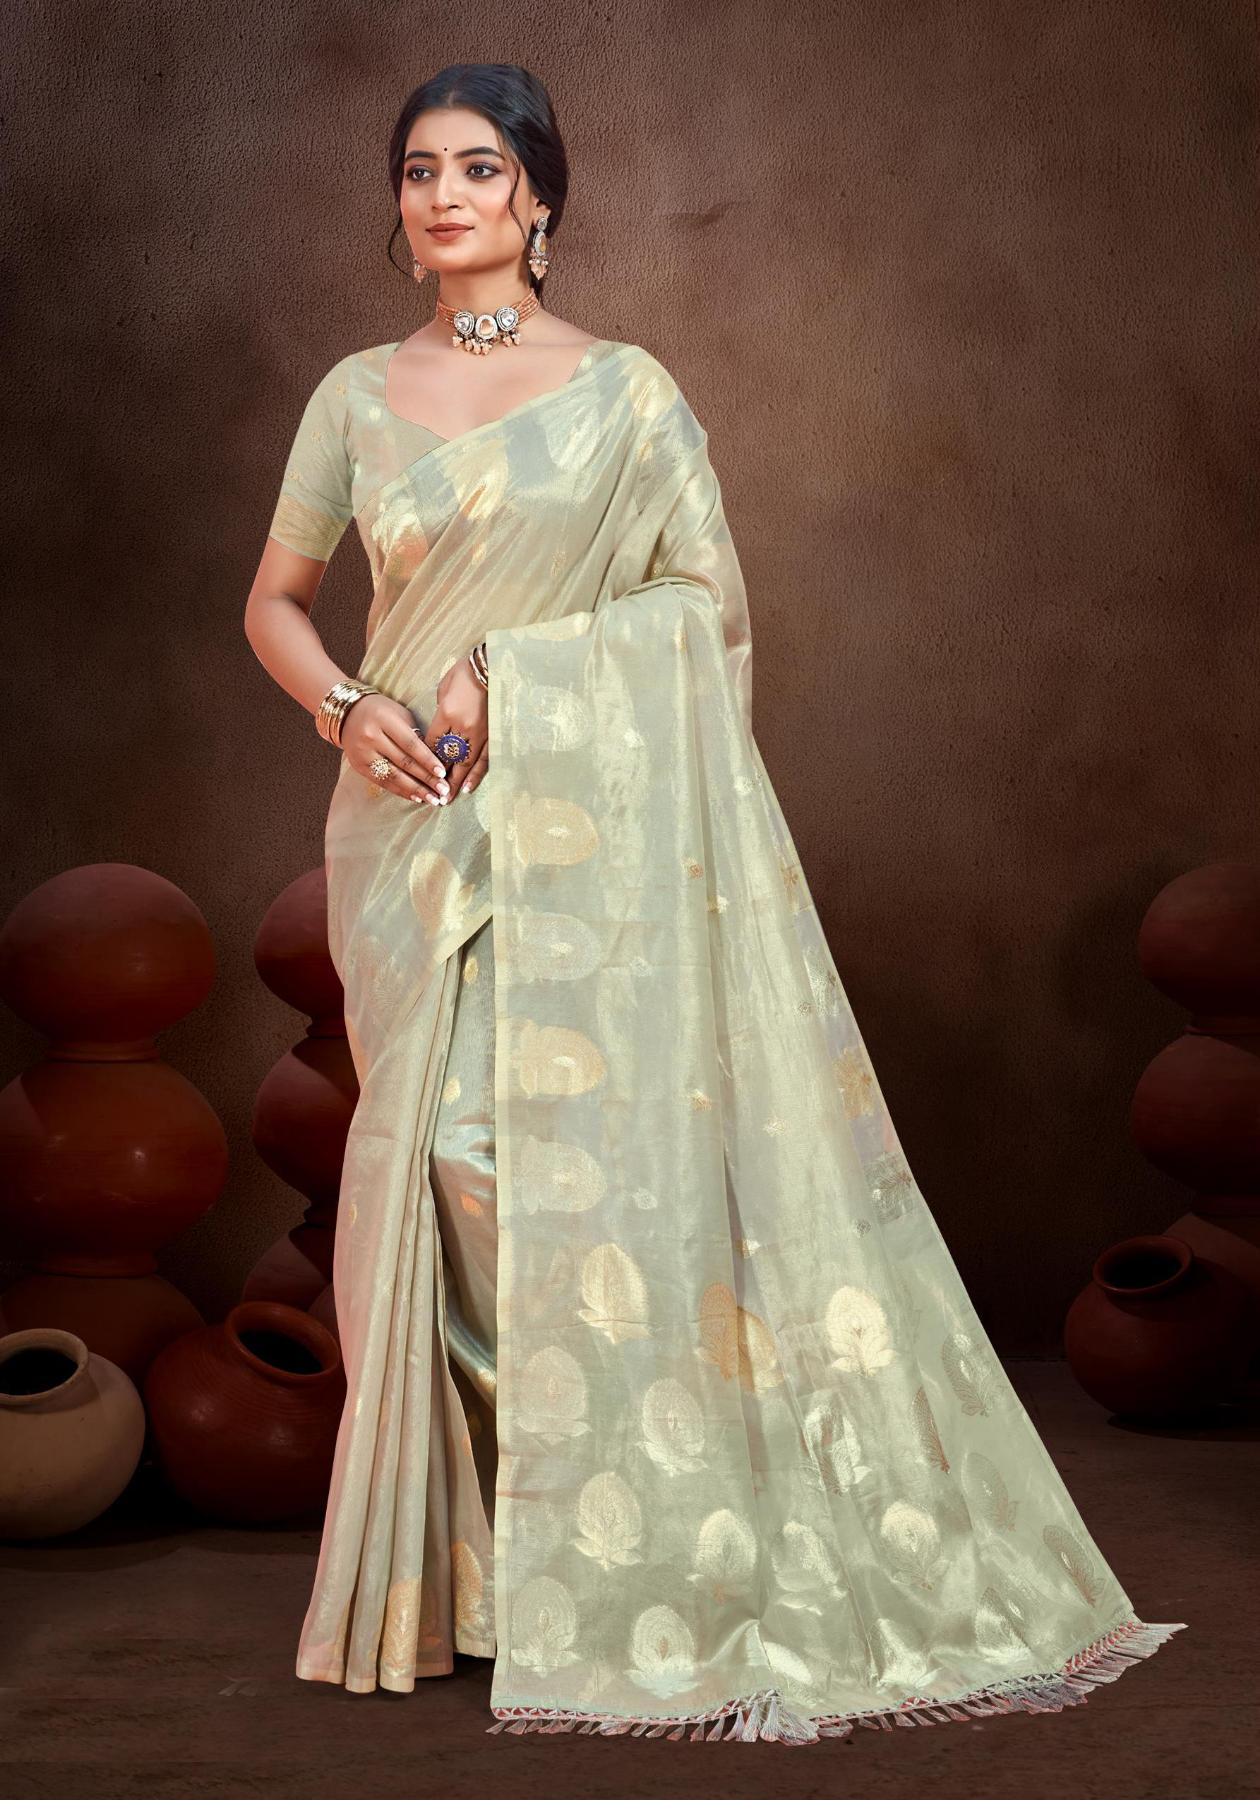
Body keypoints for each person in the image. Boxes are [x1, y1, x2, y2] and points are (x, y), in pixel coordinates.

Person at [244, 61, 1185, 1746]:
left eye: (479, 167)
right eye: (419, 169)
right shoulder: (354, 396)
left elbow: (700, 603)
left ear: (539, 196)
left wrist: (508, 672)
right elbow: (276, 601)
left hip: (577, 830)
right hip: (408, 828)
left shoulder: (627, 394)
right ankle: (468, 1575)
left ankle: (606, 1556)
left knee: (553, 1170)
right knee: (430, 1166)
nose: (445, 194)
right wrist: (343, 704)